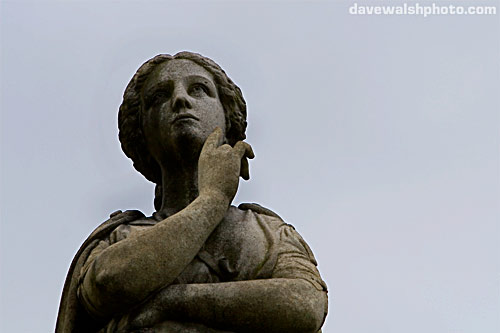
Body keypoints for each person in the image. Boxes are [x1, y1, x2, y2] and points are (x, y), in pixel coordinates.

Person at [56, 52, 328, 333]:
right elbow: (107, 284)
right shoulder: (120, 236)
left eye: (198, 89)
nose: (180, 99)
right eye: (159, 97)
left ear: (227, 116)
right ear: (141, 133)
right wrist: (213, 201)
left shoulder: (267, 232)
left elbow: (305, 305)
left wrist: (173, 301)